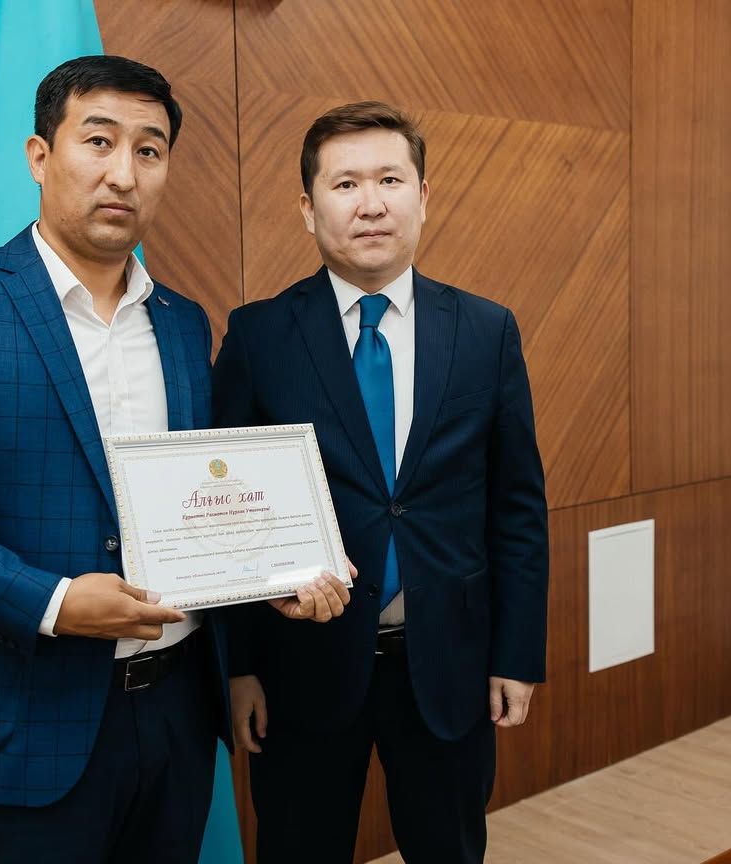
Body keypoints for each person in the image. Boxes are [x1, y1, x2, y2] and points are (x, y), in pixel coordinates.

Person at [0, 55, 347, 864]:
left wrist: (271, 574)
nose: (123, 173)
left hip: (178, 714)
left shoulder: (182, 321)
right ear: (41, 156)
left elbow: (204, 499)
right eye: (99, 141)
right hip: (25, 718)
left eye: (149, 150)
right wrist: (51, 601)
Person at [214, 101, 550, 864]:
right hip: (301, 670)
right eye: (345, 184)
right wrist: (240, 666)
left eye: (391, 180)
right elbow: (231, 514)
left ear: (423, 197)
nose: (371, 203)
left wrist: (516, 653)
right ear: (308, 208)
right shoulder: (259, 336)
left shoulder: (486, 331)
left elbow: (517, 509)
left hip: (448, 666)